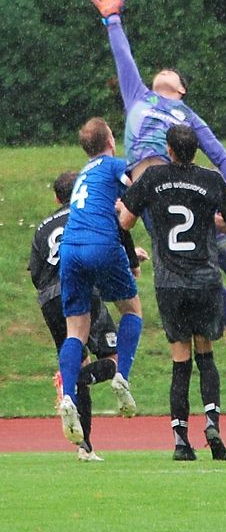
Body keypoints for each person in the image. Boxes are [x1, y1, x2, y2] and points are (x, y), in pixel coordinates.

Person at [90, 0, 226, 377]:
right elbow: (124, 57)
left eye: (172, 73)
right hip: (152, 195)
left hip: (185, 191)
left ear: (181, 89)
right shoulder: (137, 94)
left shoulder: (187, 113)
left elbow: (222, 156)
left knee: (220, 256)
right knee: (197, 266)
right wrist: (112, 17)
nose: (163, 71)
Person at [119, 125, 226, 461]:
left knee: (180, 360)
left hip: (169, 281)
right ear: (195, 149)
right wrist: (209, 219)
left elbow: (126, 220)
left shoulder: (154, 178)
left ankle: (180, 440)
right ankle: (213, 423)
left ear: (169, 149)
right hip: (204, 278)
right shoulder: (211, 179)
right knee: (206, 355)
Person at [29, 171, 144, 461]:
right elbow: (103, 243)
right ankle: (75, 385)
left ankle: (85, 444)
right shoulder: (87, 214)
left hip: (49, 299)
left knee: (76, 354)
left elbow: (36, 272)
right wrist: (130, 258)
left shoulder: (42, 227)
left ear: (56, 197)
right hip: (80, 289)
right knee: (114, 358)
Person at [57, 117, 142, 445]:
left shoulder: (83, 174)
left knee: (75, 330)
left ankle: (69, 397)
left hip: (70, 248)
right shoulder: (112, 165)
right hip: (100, 244)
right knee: (131, 310)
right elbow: (137, 188)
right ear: (110, 140)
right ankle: (122, 377)